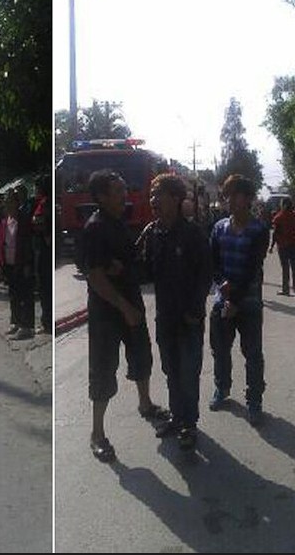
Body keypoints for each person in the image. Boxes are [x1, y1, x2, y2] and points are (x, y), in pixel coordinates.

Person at [82, 169, 169, 463]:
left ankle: (145, 404)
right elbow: (96, 277)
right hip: (108, 312)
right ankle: (97, 434)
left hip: (131, 304)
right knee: (103, 369)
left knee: (141, 356)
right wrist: (125, 307)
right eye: (118, 191)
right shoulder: (95, 228)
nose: (125, 196)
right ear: (101, 196)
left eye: (123, 190)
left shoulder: (118, 222)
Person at [137, 173, 212, 451]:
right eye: (151, 194)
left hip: (189, 319)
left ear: (176, 198)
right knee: (170, 371)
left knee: (188, 373)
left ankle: (189, 425)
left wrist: (195, 310)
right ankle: (177, 417)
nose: (153, 200)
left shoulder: (193, 234)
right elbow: (145, 272)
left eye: (158, 194)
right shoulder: (152, 233)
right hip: (165, 318)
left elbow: (205, 275)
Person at [208, 174, 270, 426]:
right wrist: (221, 284)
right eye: (227, 195)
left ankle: (254, 400)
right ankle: (222, 388)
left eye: (235, 195)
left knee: (252, 353)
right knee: (220, 350)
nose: (230, 200)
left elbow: (253, 268)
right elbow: (213, 262)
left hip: (248, 301)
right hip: (222, 300)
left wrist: (235, 300)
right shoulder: (218, 228)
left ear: (248, 198)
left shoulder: (259, 230)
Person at [0, 189, 35, 340]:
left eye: (11, 201)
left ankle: (26, 327)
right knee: (13, 295)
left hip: (22, 263)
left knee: (25, 295)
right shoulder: (5, 221)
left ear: (17, 203)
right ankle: (16, 322)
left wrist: (27, 263)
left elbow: (28, 243)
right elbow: (1, 243)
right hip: (8, 263)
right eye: (6, 202)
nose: (8, 205)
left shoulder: (24, 220)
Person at [269, 197, 295, 295]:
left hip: (283, 245)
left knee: (285, 268)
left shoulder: (278, 217)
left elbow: (275, 233)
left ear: (282, 205)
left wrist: (271, 246)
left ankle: (286, 289)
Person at [32, 176, 52, 334]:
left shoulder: (45, 204)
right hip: (44, 249)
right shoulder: (45, 203)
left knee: (45, 288)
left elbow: (42, 225)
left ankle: (47, 323)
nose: (34, 190)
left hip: (44, 251)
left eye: (36, 187)